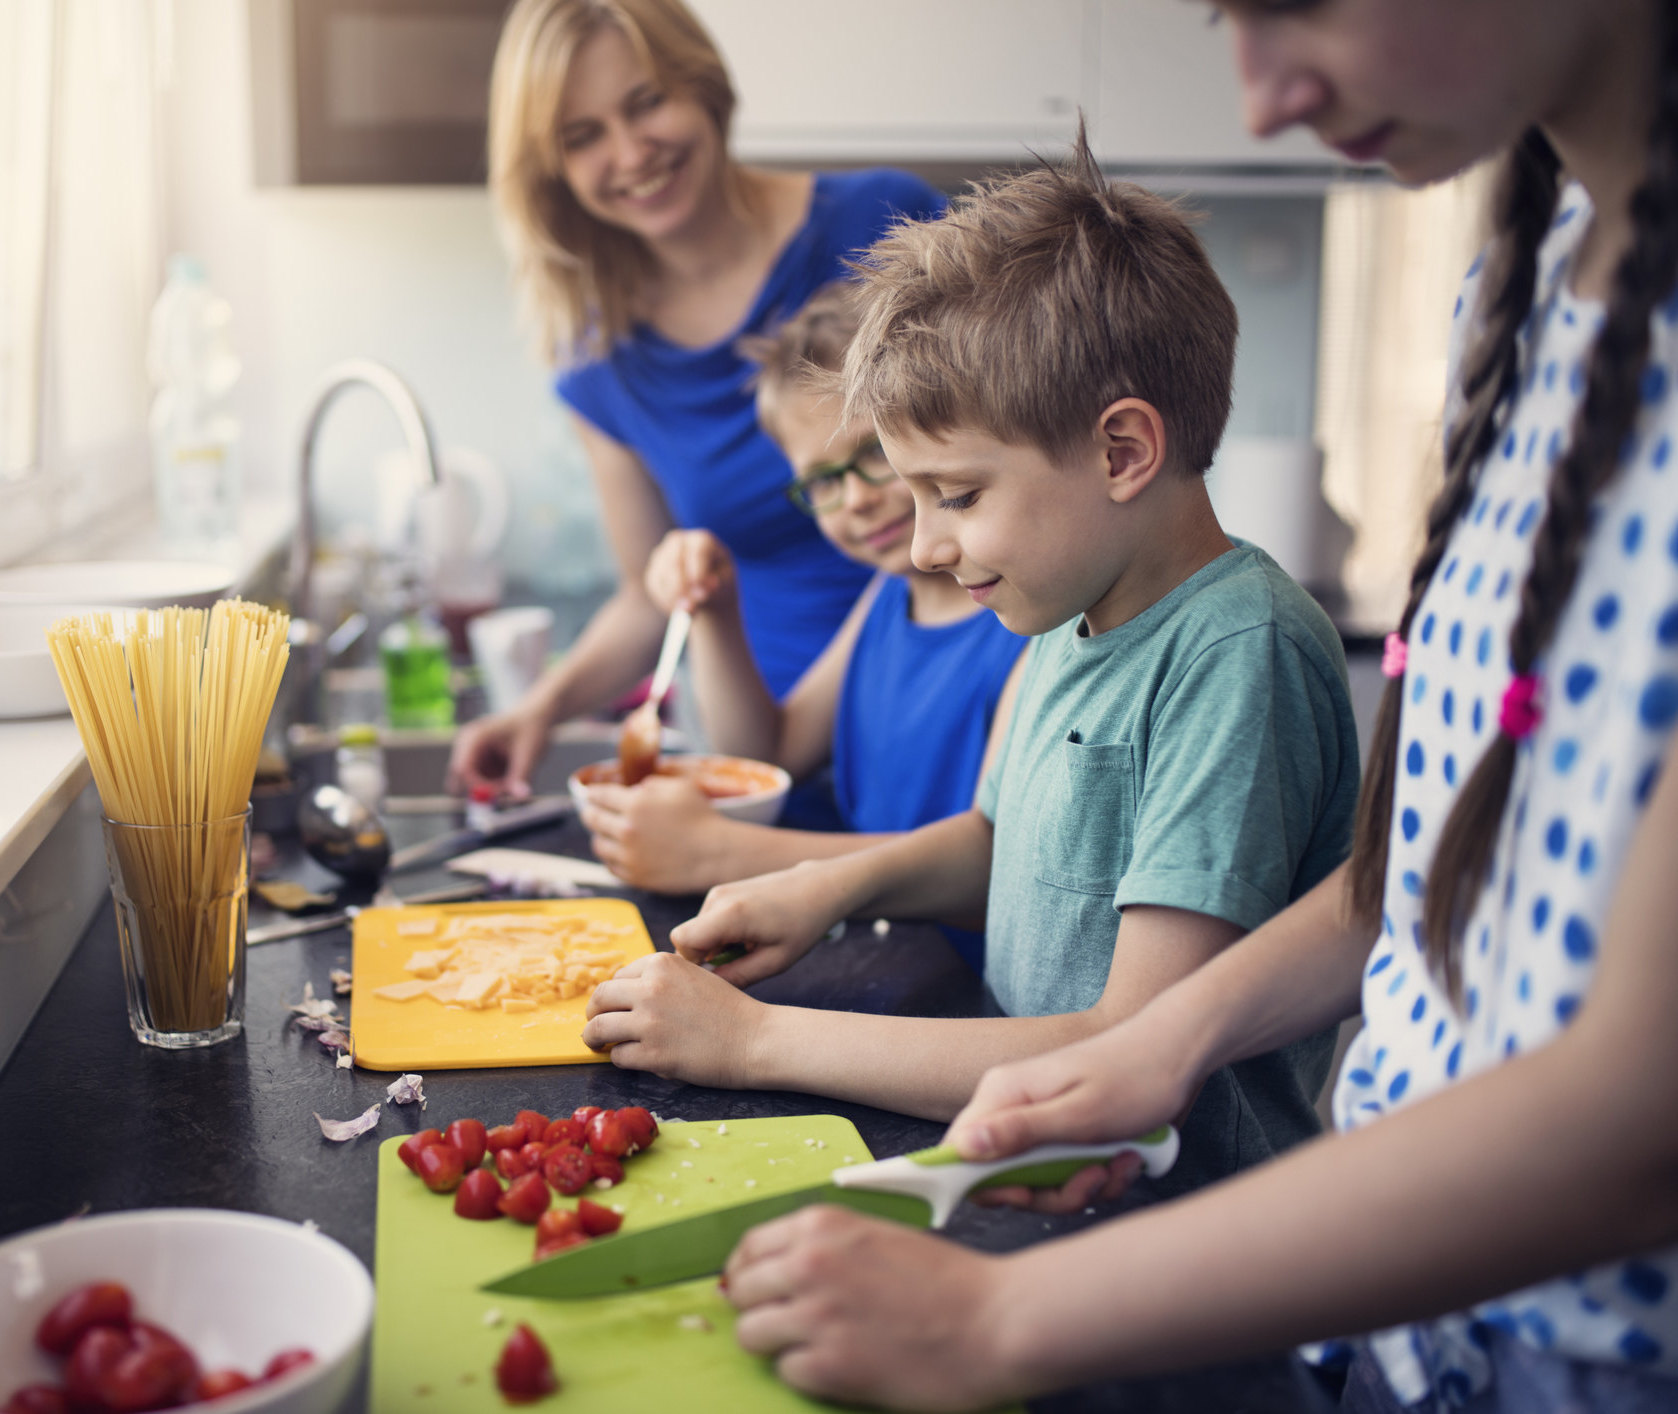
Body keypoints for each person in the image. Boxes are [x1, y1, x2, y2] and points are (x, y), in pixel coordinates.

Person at [714, 3, 1678, 1410]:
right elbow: (1415, 882)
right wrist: (1160, 1044)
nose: (1260, 95)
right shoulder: (1517, 293)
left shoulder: (1233, 641)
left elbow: (1634, 1129)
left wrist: (996, 1316)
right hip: (1397, 1323)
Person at [581, 127, 1360, 1195]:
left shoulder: (1234, 654)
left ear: (1122, 451)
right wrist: (822, 888)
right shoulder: (1069, 612)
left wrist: (752, 1040)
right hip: (1025, 1164)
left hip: (1167, 1220)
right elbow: (1004, 838)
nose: (922, 546)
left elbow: (1127, 1048)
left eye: (957, 496)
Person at [450, 0, 948, 801]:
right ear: (553, 171)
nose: (630, 152)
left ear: (704, 85)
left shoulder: (884, 223)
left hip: (951, 705)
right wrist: (538, 710)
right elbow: (649, 598)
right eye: (582, 137)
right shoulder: (599, 359)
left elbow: (1009, 455)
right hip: (772, 754)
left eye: (646, 102)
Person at [574, 283, 1027, 953]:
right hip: (887, 953)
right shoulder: (887, 597)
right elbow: (769, 753)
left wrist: (722, 853)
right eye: (820, 480)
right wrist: (717, 613)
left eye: (872, 454)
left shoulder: (1020, 618)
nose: (853, 501)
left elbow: (993, 867)